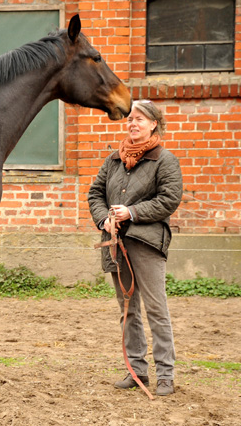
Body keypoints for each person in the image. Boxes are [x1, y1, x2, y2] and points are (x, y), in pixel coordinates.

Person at [88, 99, 183, 396]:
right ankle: (136, 370)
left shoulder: (165, 160)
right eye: (130, 119)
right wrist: (104, 218)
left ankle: (165, 375)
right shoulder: (113, 160)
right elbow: (94, 194)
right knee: (127, 310)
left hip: (147, 243)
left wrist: (132, 213)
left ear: (154, 123)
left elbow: (169, 199)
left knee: (156, 309)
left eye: (140, 119)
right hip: (117, 245)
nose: (133, 123)